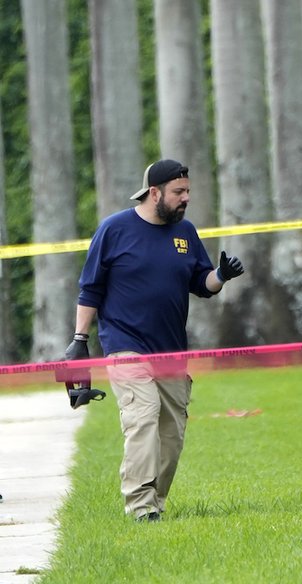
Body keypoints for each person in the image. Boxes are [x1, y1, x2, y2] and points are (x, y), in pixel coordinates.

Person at [64, 159, 245, 522]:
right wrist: (80, 339)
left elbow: (201, 284)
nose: (186, 198)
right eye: (179, 192)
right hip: (125, 343)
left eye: (188, 191)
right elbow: (91, 289)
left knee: (172, 433)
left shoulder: (186, 233)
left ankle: (156, 502)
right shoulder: (114, 229)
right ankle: (141, 506)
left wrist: (220, 276)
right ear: (155, 192)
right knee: (143, 417)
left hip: (172, 350)